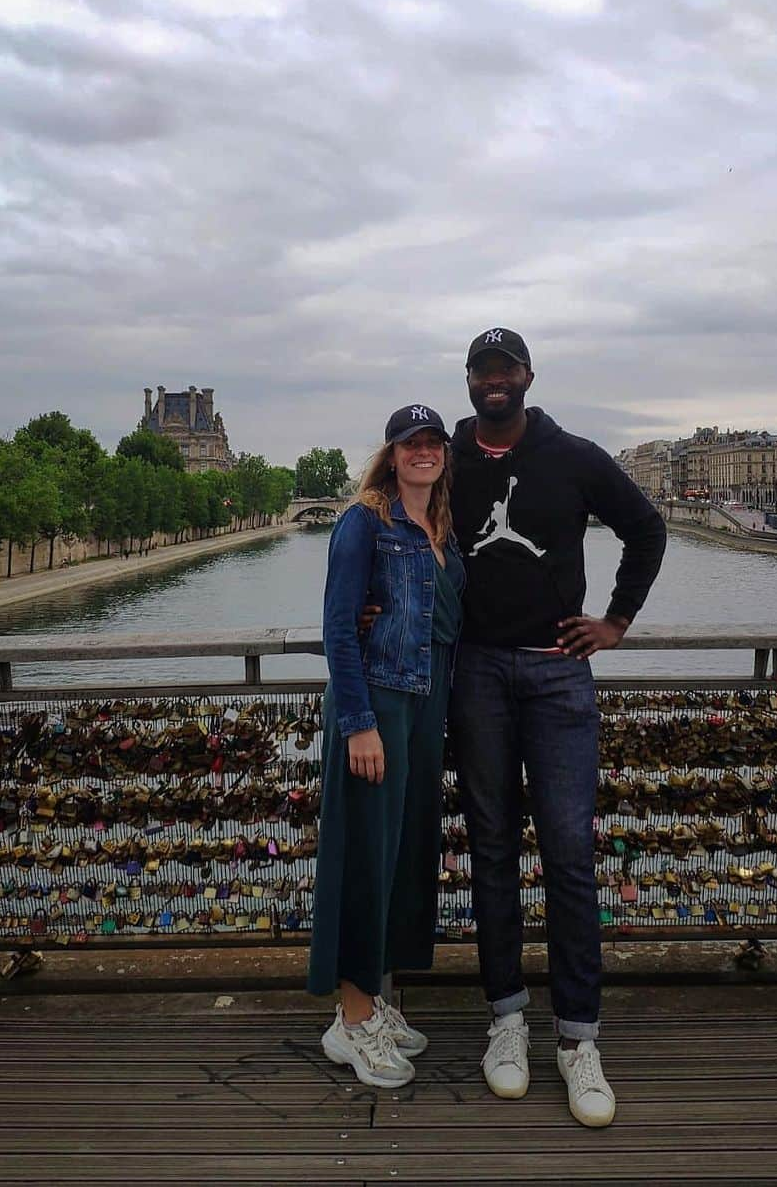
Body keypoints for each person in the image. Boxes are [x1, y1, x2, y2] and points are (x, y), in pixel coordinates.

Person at [362, 329, 666, 1125]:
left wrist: (616, 622)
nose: (494, 381)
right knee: (491, 845)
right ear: (469, 382)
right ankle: (506, 1021)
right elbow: (396, 531)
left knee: (569, 852)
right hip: (477, 676)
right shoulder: (447, 456)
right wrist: (373, 602)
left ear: (527, 376)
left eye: (505, 369)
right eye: (481, 370)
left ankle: (576, 1040)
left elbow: (648, 529)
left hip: (560, 673)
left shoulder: (577, 457)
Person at [307, 404, 465, 1089]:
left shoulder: (442, 530)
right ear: (392, 453)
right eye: (412, 444)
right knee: (365, 860)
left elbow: (450, 622)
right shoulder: (363, 522)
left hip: (424, 708)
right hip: (377, 704)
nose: (423, 453)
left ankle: (376, 1005)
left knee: (403, 858)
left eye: (433, 443)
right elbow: (338, 629)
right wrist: (359, 723)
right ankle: (350, 1021)